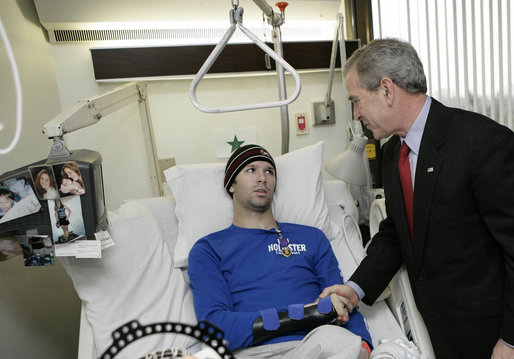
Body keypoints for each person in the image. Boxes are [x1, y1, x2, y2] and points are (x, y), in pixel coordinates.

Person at [319, 38, 514, 359]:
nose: (355, 115)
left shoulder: (481, 142)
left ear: (386, 89)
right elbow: (398, 231)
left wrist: (509, 341)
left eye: (356, 101)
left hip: (491, 332)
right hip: (439, 328)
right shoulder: (392, 152)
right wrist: (355, 289)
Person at [188, 145, 372, 359]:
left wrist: (364, 346)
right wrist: (307, 314)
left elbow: (342, 301)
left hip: (314, 345)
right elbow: (215, 327)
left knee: (336, 341)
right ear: (231, 185)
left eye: (269, 171)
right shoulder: (208, 249)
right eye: (251, 170)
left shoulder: (312, 238)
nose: (262, 178)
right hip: (252, 352)